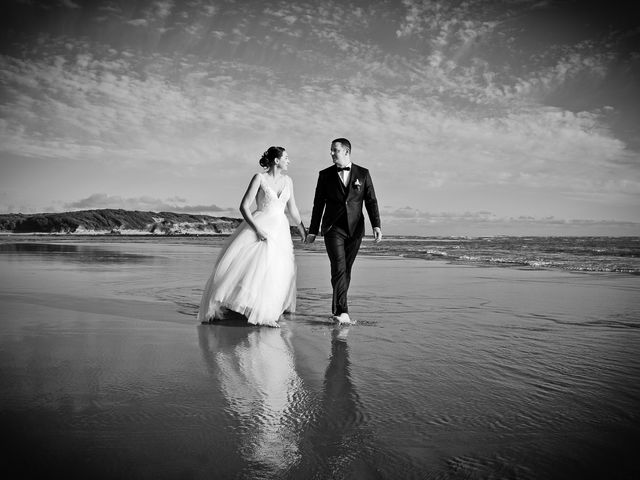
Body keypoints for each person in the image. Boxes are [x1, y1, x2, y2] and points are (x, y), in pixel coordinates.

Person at [197, 146, 307, 327]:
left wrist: (302, 228)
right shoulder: (259, 178)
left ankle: (268, 312)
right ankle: (247, 308)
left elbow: (292, 208)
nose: (289, 161)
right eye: (286, 157)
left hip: (280, 230)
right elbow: (244, 206)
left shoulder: (288, 181)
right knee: (253, 269)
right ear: (276, 160)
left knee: (277, 270)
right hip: (260, 225)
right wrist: (256, 229)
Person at [306, 138, 381, 324]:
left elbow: (371, 200)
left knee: (346, 269)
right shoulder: (324, 175)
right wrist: (313, 230)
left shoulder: (363, 174)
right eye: (331, 150)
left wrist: (376, 225)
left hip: (355, 229)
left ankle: (337, 309)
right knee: (338, 267)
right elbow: (318, 204)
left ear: (346, 152)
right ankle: (342, 311)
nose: (331, 153)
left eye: (335, 150)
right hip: (333, 228)